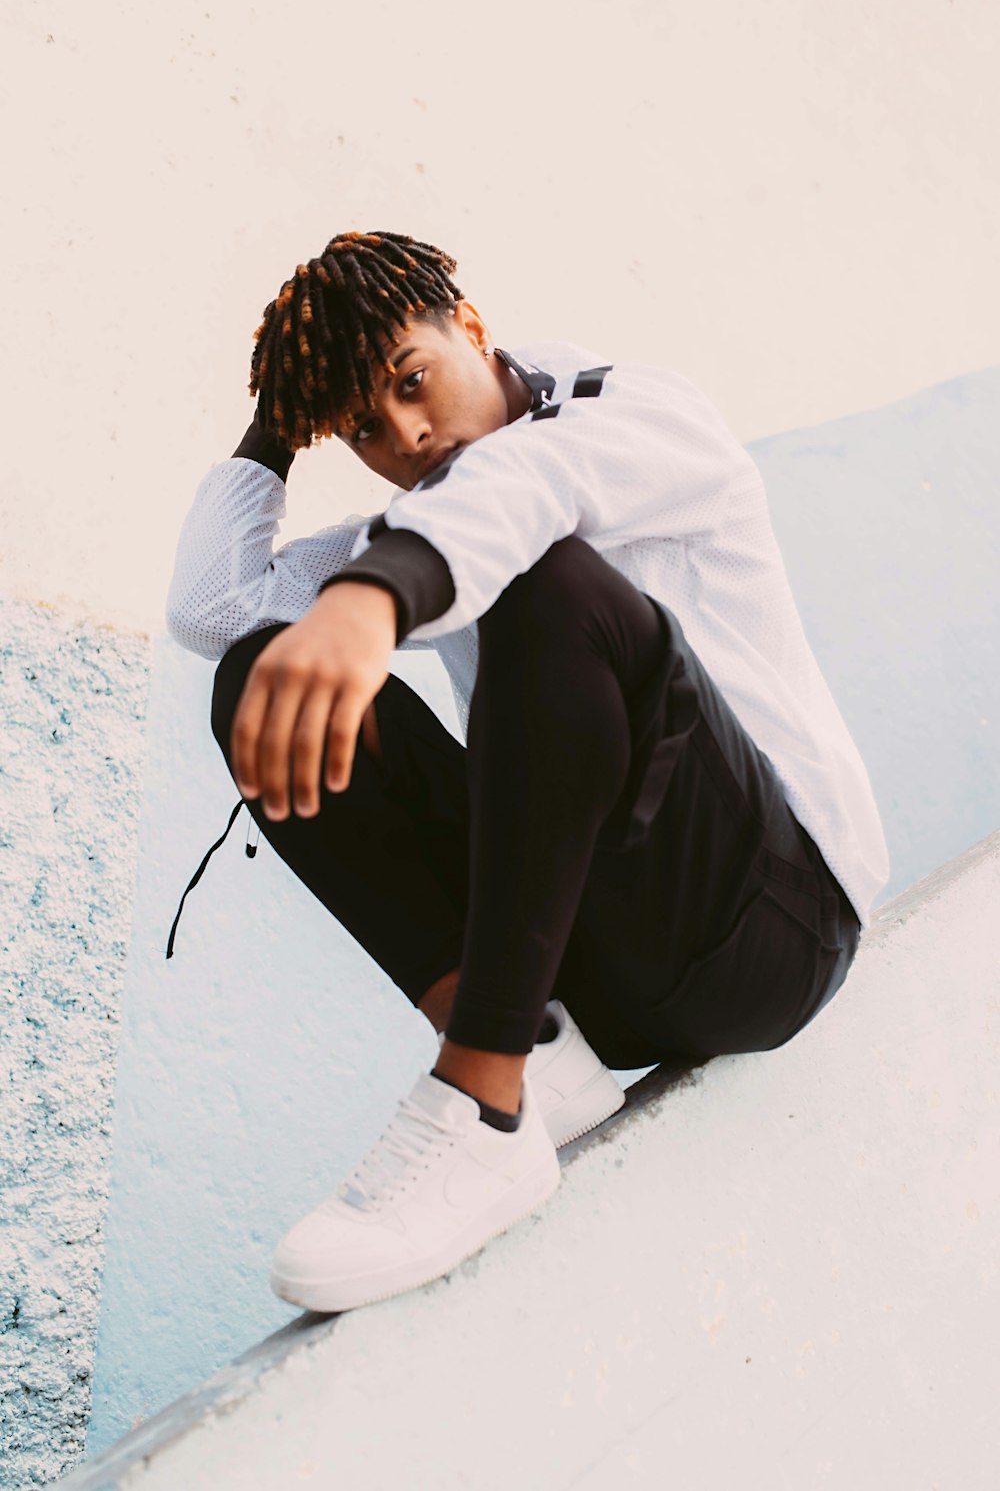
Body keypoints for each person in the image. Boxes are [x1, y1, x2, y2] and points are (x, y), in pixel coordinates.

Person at [165, 229, 888, 1315]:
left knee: (552, 586)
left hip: (771, 925)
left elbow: (530, 491)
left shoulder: (634, 415)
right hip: (600, 965)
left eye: (412, 382)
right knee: (259, 668)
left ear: (471, 326)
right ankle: (537, 1055)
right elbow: (215, 607)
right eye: (364, 425)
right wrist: (283, 412)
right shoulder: (421, 509)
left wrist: (376, 593)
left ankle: (483, 1100)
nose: (406, 434)